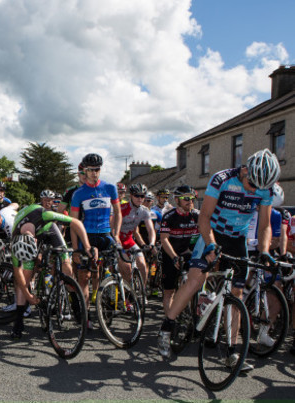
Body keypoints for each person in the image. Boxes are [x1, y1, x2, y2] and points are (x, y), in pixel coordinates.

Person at [157, 149, 280, 372]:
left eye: (260, 188)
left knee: (237, 294)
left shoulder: (266, 189)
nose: (254, 190)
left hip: (237, 239)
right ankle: (167, 326)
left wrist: (263, 251)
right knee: (195, 281)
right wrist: (211, 244)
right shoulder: (222, 179)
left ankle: (232, 353)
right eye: (252, 184)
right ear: (245, 170)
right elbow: (204, 217)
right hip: (212, 233)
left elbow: (265, 226)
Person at [9, 204, 94, 339]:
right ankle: (18, 321)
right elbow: (17, 274)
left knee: (66, 266)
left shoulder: (44, 214)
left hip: (48, 228)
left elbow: (76, 222)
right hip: (27, 237)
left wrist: (87, 246)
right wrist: (28, 296)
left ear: (35, 241)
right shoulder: (14, 240)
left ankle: (76, 305)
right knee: (24, 278)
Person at [69, 153, 121, 328]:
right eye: (90, 170)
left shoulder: (110, 188)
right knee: (84, 277)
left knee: (113, 268)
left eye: (97, 170)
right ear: (84, 171)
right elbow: (74, 223)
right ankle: (85, 315)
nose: (94, 173)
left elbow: (118, 212)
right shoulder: (79, 193)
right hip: (87, 236)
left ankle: (105, 305)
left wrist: (117, 235)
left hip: (106, 235)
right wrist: (76, 249)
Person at [158, 185, 199, 315]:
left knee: (194, 287)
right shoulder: (169, 217)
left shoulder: (197, 215)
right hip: (170, 254)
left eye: (193, 198)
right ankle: (169, 323)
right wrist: (174, 257)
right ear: (177, 200)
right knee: (169, 291)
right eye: (186, 198)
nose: (190, 201)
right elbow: (164, 239)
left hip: (188, 253)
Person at [118, 183, 156, 287]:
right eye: (137, 196)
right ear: (131, 195)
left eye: (142, 196)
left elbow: (150, 229)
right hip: (118, 240)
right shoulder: (122, 208)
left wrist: (151, 243)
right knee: (127, 268)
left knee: (143, 265)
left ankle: (142, 293)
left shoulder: (144, 211)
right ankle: (126, 296)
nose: (140, 198)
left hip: (129, 240)